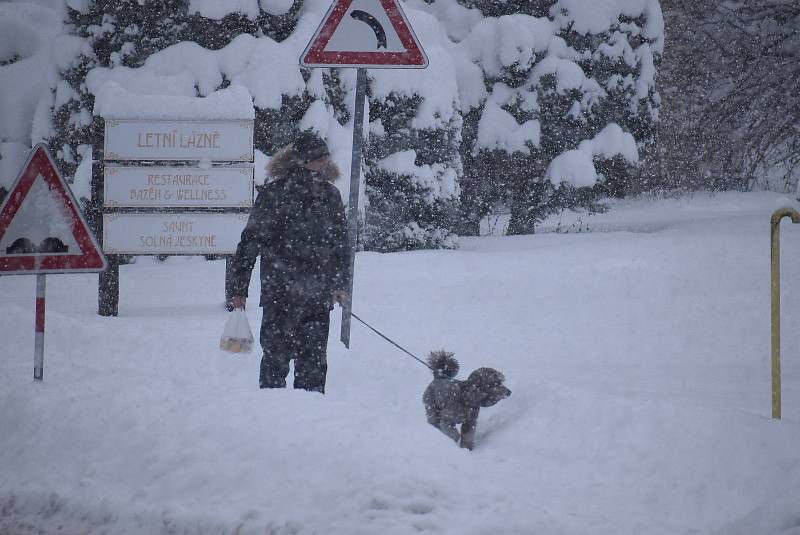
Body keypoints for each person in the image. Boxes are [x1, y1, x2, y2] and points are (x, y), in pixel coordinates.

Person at [229, 131, 350, 393]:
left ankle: (310, 418)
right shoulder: (273, 195)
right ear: (301, 160)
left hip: (314, 295)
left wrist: (340, 283)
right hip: (280, 294)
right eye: (318, 159)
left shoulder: (330, 195)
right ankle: (272, 417)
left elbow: (341, 245)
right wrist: (238, 288)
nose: (323, 164)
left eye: (325, 159)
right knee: (275, 361)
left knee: (313, 364)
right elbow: (249, 243)